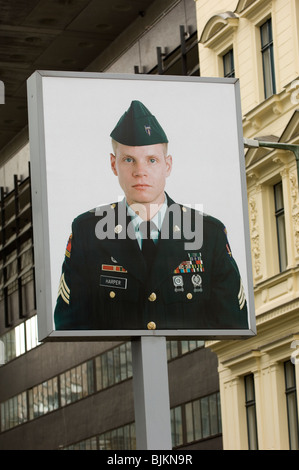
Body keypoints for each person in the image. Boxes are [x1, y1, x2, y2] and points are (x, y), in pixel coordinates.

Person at [54, 100, 248, 331]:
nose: (140, 172)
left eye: (151, 160)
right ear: (113, 164)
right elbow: (70, 325)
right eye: (129, 160)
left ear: (168, 165)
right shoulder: (88, 232)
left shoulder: (208, 233)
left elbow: (232, 324)